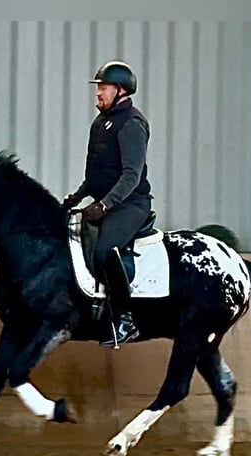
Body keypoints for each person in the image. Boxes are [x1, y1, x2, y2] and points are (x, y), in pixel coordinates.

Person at [62, 60, 153, 346]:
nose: (98, 94)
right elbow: (96, 174)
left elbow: (131, 175)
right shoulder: (100, 123)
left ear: (121, 91)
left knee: (104, 250)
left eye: (103, 88)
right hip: (106, 200)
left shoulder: (132, 124)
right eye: (98, 88)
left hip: (131, 204)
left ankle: (126, 319)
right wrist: (76, 197)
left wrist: (104, 205)